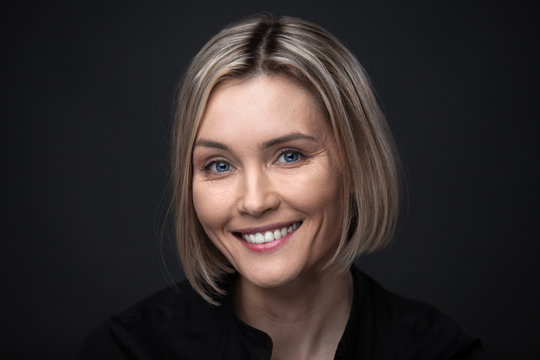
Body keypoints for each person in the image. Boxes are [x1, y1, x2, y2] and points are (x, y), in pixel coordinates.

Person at [80, 15, 482, 359]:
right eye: (219, 165)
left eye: (289, 155)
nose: (255, 202)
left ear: (357, 164)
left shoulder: (436, 352)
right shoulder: (128, 350)